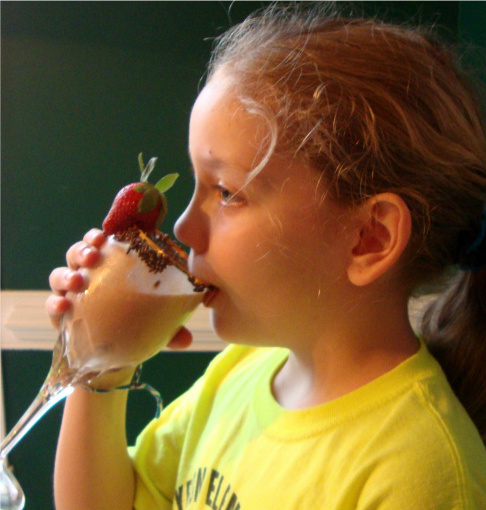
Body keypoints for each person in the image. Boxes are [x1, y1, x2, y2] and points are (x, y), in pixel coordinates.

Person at [46, 4, 486, 510]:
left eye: (228, 192)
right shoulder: (243, 371)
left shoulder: (417, 472)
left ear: (369, 237)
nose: (185, 227)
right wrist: (101, 363)